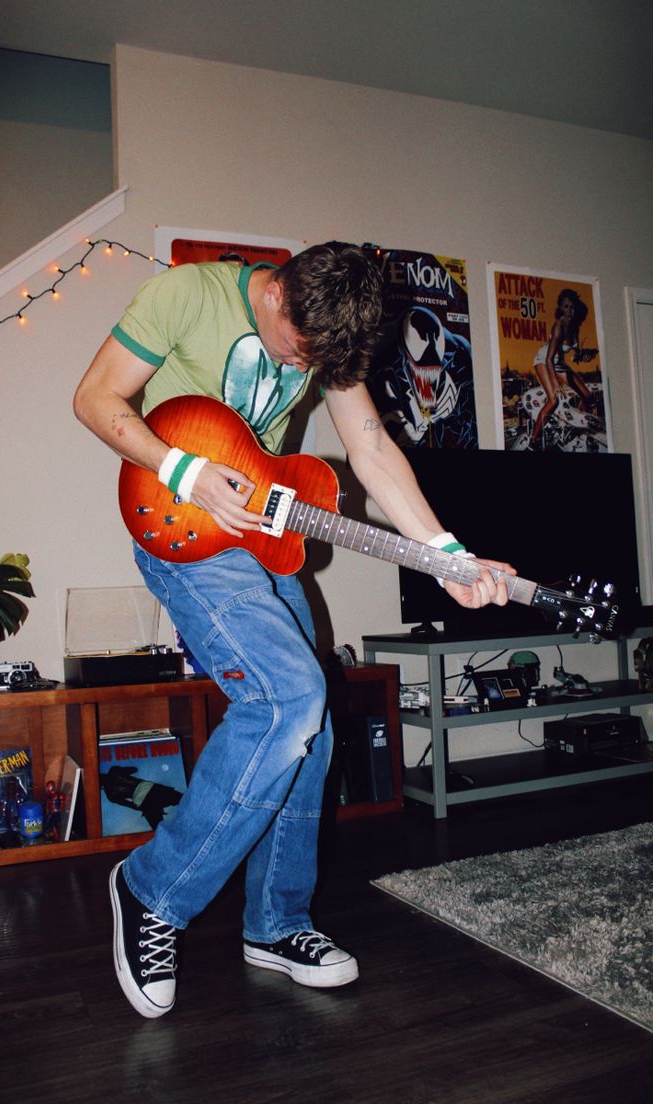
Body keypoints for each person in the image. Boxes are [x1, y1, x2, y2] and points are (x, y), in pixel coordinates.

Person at [74, 241, 514, 1019]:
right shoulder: (186, 295)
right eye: (297, 351)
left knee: (310, 723)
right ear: (277, 295)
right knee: (288, 698)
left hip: (265, 533)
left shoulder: (329, 332)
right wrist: (183, 469)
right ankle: (149, 891)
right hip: (185, 528)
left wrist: (443, 555)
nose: (303, 366)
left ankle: (276, 923)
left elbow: (371, 446)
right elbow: (96, 399)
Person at [529, 289, 596, 447]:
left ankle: (576, 427)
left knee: (587, 396)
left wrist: (585, 355)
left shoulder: (575, 326)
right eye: (566, 307)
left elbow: (575, 355)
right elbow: (549, 358)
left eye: (572, 307)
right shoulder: (559, 326)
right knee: (554, 400)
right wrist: (556, 384)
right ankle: (533, 440)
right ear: (560, 308)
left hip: (559, 364)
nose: (570, 311)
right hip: (544, 361)